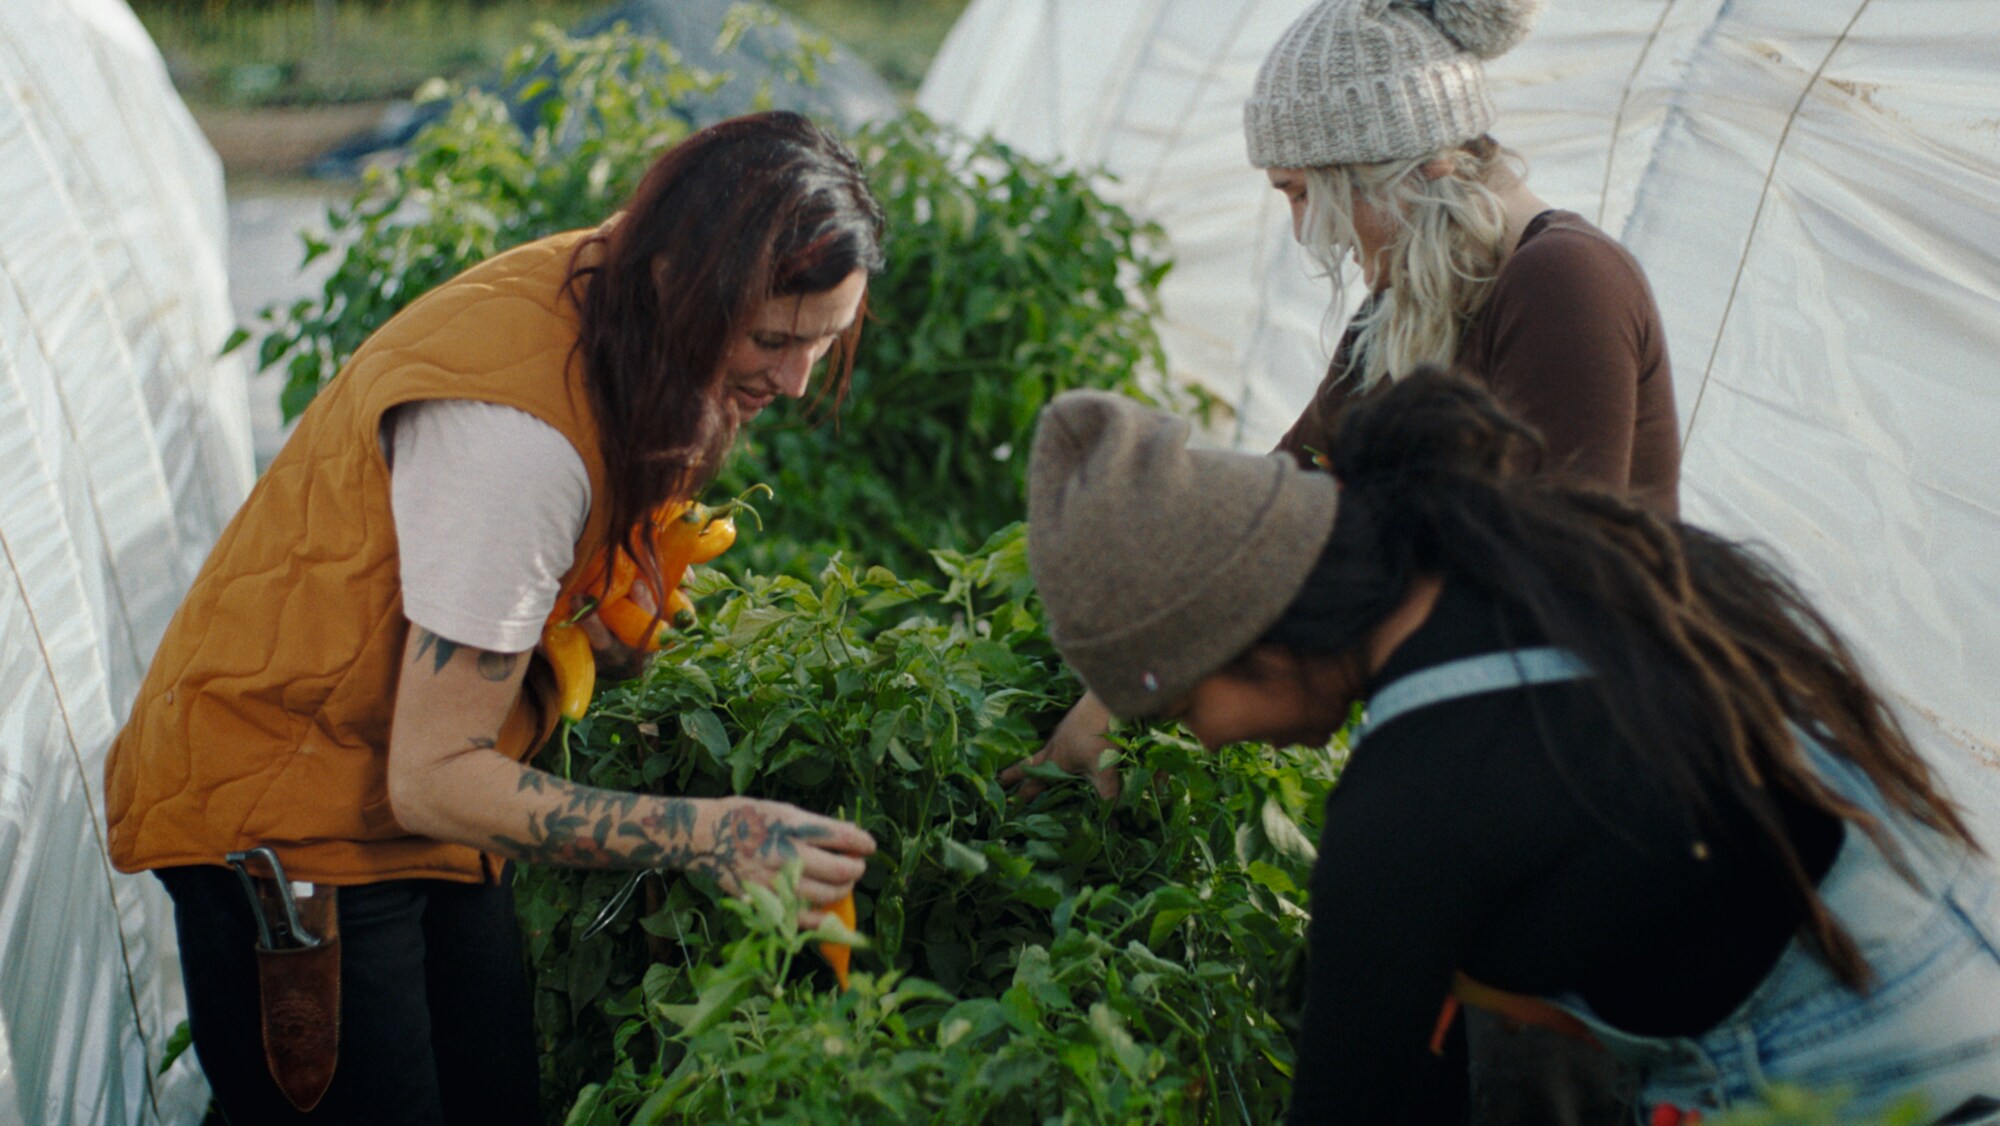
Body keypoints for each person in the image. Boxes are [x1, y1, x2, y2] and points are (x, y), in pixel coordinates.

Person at [102, 111, 883, 1123]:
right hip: (285, 818)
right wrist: (711, 833)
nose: (792, 379)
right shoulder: (514, 436)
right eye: (772, 340)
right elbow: (434, 776)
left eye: (822, 341)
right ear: (679, 286)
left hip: (398, 795)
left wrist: (589, 608)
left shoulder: (630, 301)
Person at [1011, 0, 1684, 1114]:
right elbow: (1279, 498)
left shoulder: (1562, 283)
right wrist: (1108, 692)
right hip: (1474, 774)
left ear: (1385, 174)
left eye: (1299, 196)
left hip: (1586, 791)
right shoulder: (1405, 307)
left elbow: (1544, 583)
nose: (1302, 233)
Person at [1024, 373, 2000, 1125]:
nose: (1200, 735)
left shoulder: (1403, 804)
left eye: (1185, 703)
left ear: (1253, 638)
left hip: (1869, 1077)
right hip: (1964, 958)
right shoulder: (1531, 568)